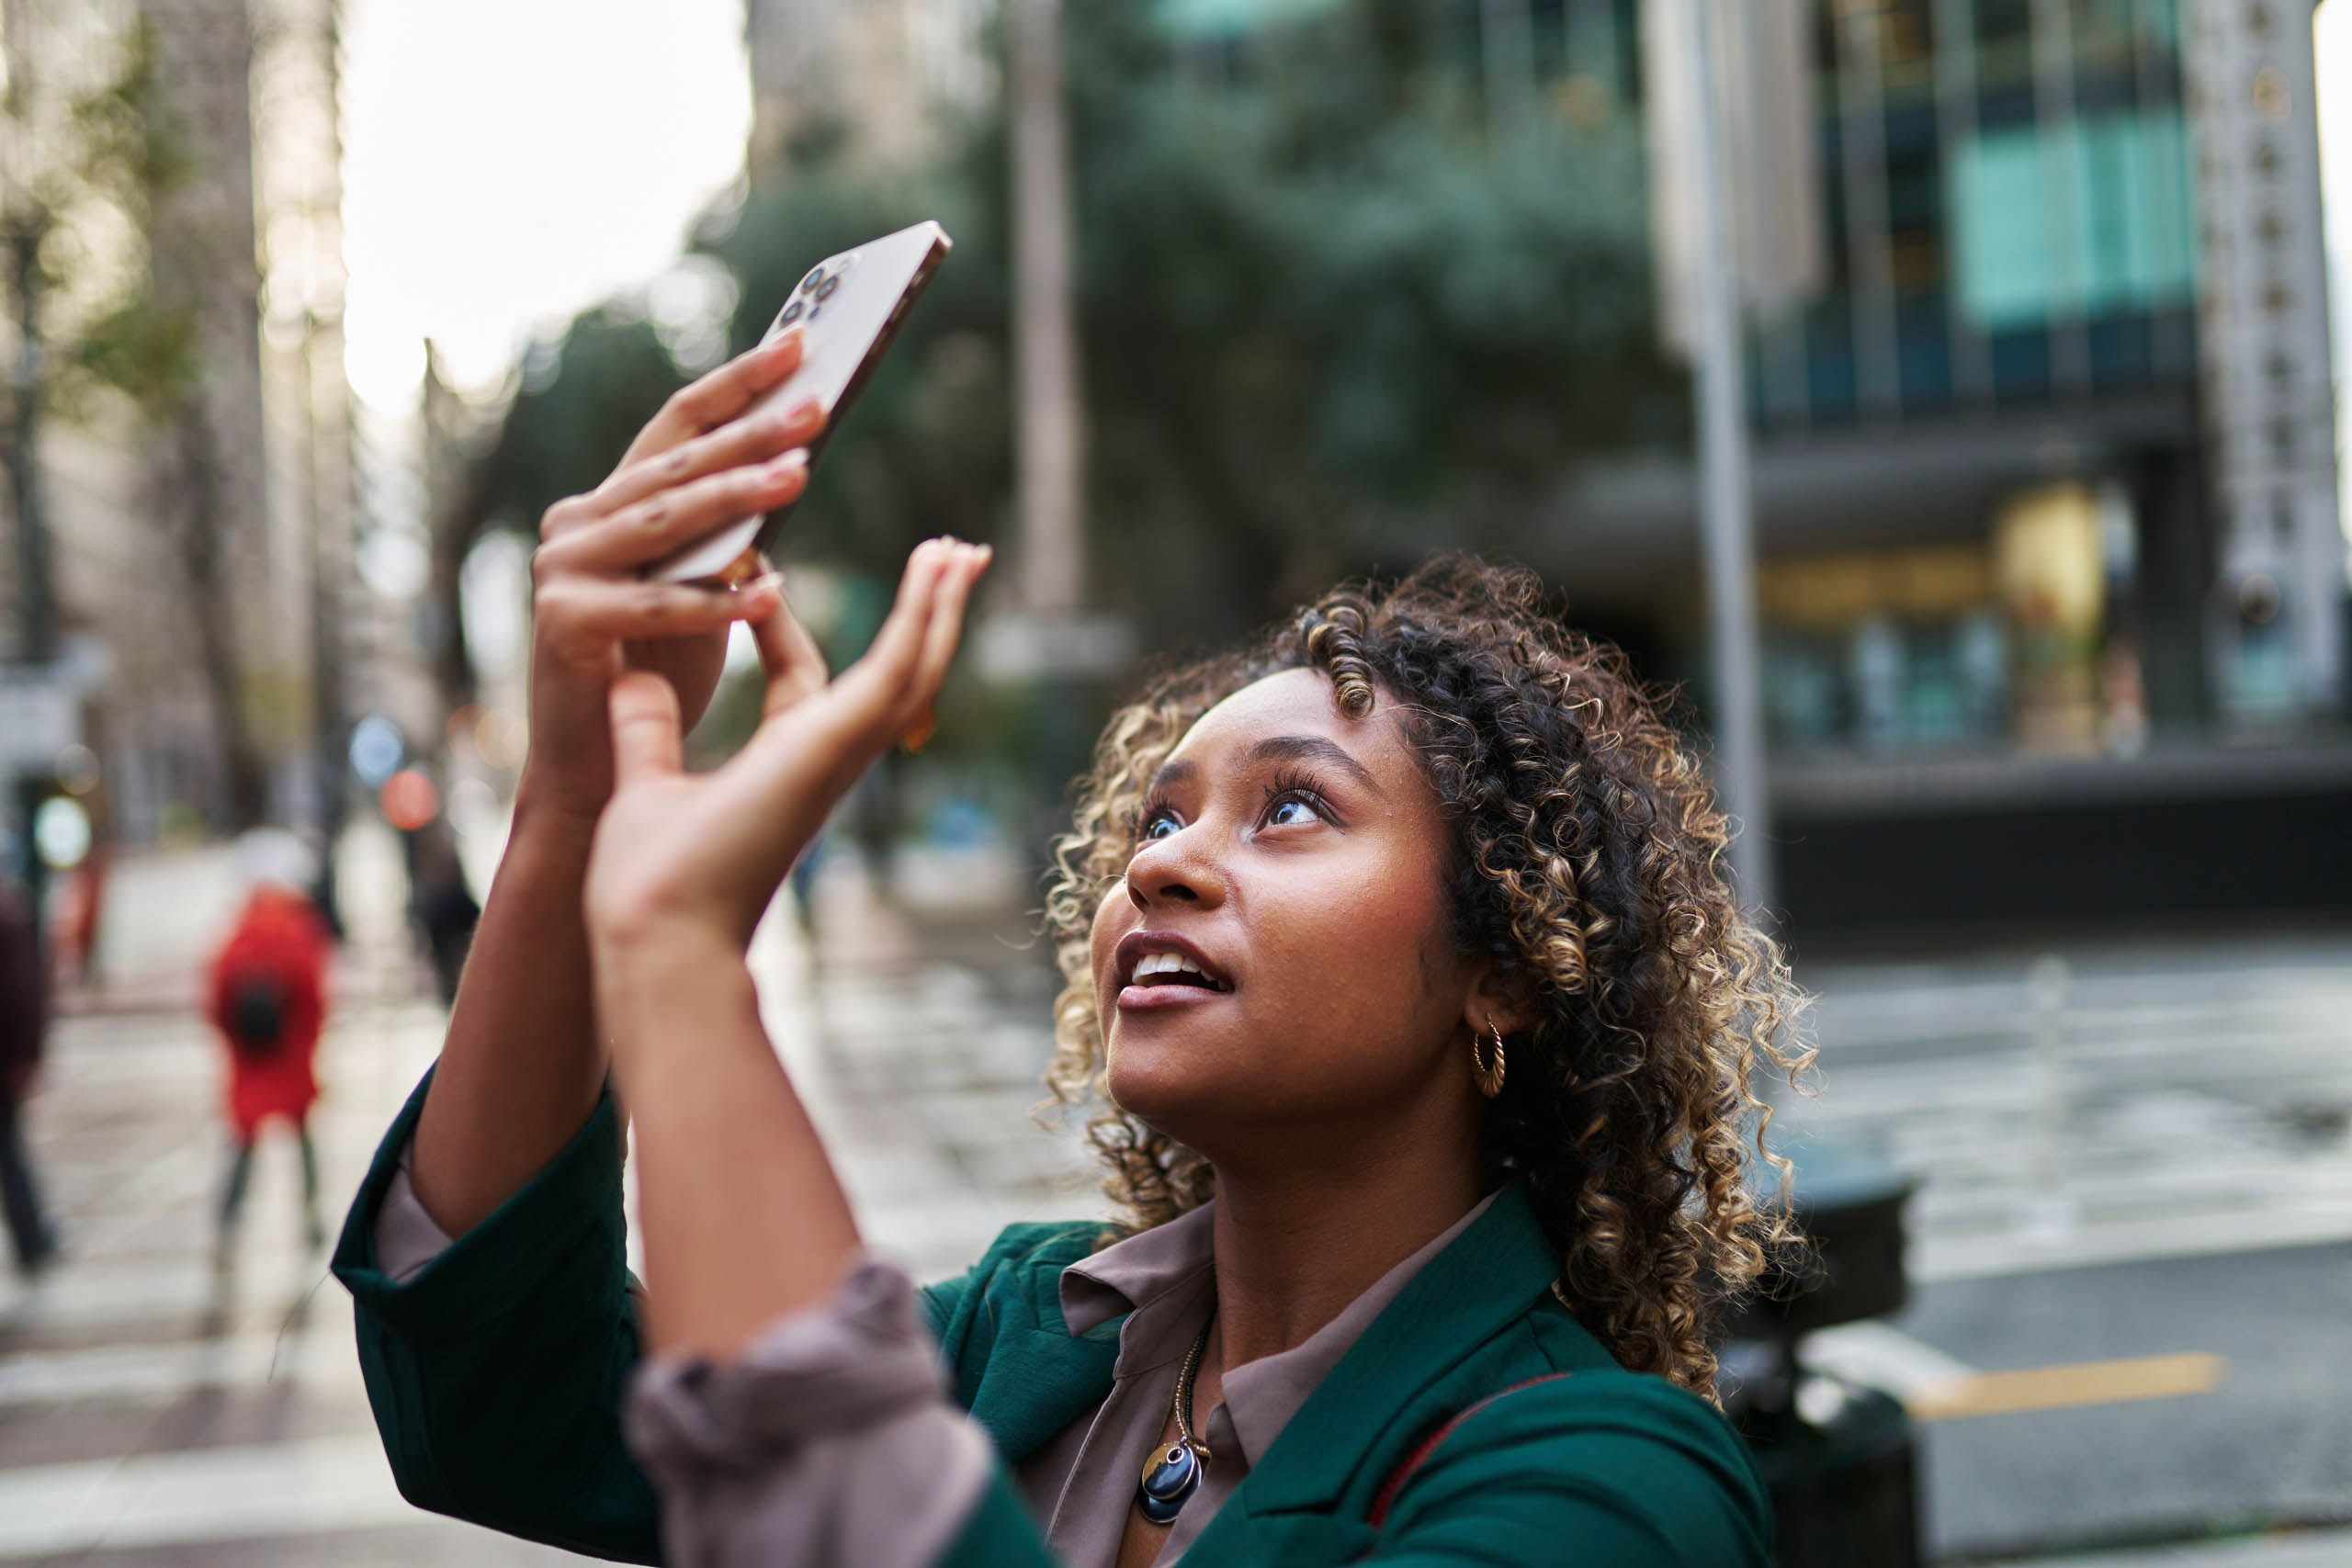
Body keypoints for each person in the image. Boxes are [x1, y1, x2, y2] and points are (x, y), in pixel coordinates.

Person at [332, 333, 1806, 1566]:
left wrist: (683, 976)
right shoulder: (1025, 1339)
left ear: (1506, 961)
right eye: (1156, 818)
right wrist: (576, 788)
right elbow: (505, 1402)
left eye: (1295, 806)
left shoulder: (1614, 1486)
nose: (1160, 860)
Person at [209, 830, 334, 1258]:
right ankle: (312, 1216)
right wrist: (308, 1041)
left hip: (251, 1063)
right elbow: (316, 996)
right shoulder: (300, 928)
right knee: (303, 1140)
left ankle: (228, 1222)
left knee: (243, 1145)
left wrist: (234, 1045)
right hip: (292, 1057)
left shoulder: (240, 931)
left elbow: (217, 998)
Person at [0, 879, 61, 1274]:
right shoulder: (8, 915)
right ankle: (33, 1239)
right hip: (5, 1061)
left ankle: (33, 1238)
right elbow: (24, 992)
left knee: (9, 1150)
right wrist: (28, 1055)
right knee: (9, 1152)